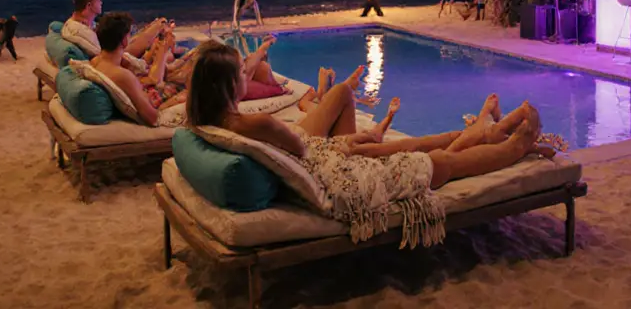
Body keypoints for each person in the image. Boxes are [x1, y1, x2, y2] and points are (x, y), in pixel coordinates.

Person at [186, 43, 546, 246]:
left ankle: (484, 133)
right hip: (339, 181)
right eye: (241, 74)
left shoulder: (211, 120)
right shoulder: (256, 123)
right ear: (228, 85)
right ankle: (515, 146)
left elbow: (299, 144)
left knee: (403, 149)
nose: (246, 75)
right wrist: (350, 145)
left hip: (316, 165)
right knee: (435, 163)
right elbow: (299, 145)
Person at [74, 11, 186, 127]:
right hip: (159, 112)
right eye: (129, 34)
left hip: (147, 96)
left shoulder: (96, 61)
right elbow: (153, 118)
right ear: (124, 41)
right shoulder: (123, 75)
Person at [62, 0, 171, 59]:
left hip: (117, 50)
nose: (101, 3)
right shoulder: (80, 30)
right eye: (99, 0)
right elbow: (103, 54)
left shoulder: (81, 24)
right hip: (118, 57)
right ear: (89, 5)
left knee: (152, 29)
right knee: (159, 25)